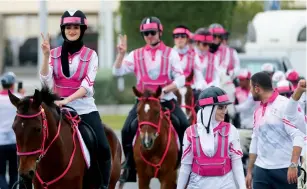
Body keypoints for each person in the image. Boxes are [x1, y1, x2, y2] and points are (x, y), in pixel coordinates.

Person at [112, 16, 190, 183]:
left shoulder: (171, 53)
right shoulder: (135, 54)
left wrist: (165, 91)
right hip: (143, 104)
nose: (149, 36)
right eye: (146, 33)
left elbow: (181, 79)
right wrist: (120, 55)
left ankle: (187, 165)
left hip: (165, 101)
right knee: (127, 129)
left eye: (152, 32)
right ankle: (129, 167)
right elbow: (117, 72)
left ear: (160, 32)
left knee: (184, 125)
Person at [39, 10, 111, 189]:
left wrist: (67, 100)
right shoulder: (54, 53)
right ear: (63, 30)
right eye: (68, 27)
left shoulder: (91, 55)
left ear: (82, 29)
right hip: (57, 109)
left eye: (76, 27)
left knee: (103, 147)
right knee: (31, 137)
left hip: (84, 108)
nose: (72, 30)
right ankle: (25, 180)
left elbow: (87, 86)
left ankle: (102, 185)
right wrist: (46, 56)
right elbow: (46, 83)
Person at [177, 86, 245, 189]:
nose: (225, 112)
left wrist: (242, 187)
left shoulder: (231, 130)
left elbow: (237, 163)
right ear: (209, 109)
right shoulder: (190, 132)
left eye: (225, 107)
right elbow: (185, 166)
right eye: (220, 108)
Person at [245, 72, 305, 189]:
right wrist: (249, 171)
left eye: (251, 87)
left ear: (257, 88)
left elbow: (297, 135)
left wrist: (293, 164)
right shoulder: (257, 111)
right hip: (261, 171)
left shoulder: (285, 105)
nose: (250, 91)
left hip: (285, 170)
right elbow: (255, 140)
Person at [0, 72, 23, 189]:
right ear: (13, 85)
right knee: (14, 173)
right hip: (15, 142)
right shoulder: (19, 99)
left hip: (0, 143)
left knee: (0, 174)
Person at [172, 25, 205, 106]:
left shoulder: (193, 55)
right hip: (173, 88)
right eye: (176, 36)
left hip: (190, 89)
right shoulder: (169, 54)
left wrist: (199, 88)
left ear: (187, 39)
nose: (179, 39)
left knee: (200, 107)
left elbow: (199, 75)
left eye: (182, 36)